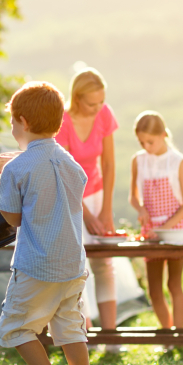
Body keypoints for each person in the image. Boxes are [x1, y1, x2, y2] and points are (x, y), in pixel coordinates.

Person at [0, 81, 96, 365]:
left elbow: (13, 218)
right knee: (69, 327)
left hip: (38, 263)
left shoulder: (16, 168)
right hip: (73, 263)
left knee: (14, 326)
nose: (12, 128)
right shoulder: (71, 163)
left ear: (23, 122)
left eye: (13, 122)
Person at [55, 65, 121, 349]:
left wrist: (105, 210)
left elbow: (108, 163)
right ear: (77, 98)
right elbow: (64, 173)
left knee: (104, 263)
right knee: (76, 266)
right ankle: (84, 336)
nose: (98, 108)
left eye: (101, 102)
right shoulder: (63, 122)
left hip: (96, 193)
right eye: (92, 103)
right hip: (70, 198)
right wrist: (88, 214)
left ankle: (111, 336)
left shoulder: (104, 115)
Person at [129, 111, 183, 338]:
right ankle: (168, 335)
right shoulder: (139, 160)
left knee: (174, 284)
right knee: (154, 289)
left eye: (151, 141)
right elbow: (133, 197)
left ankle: (180, 334)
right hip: (151, 231)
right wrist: (141, 210)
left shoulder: (178, 161)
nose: (146, 146)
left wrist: (166, 227)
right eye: (142, 142)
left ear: (164, 135)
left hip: (176, 230)